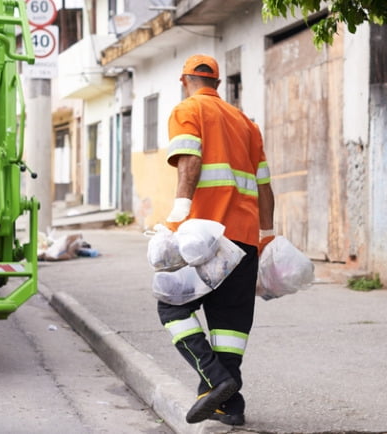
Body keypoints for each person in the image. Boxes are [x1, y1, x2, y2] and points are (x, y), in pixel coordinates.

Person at [158, 54, 275, 426]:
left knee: (172, 306)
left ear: (184, 80)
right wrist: (267, 235)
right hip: (244, 239)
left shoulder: (187, 109)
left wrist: (179, 212)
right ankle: (230, 404)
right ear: (219, 85)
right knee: (230, 324)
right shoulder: (246, 123)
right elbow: (264, 186)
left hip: (203, 238)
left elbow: (189, 161)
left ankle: (216, 379)